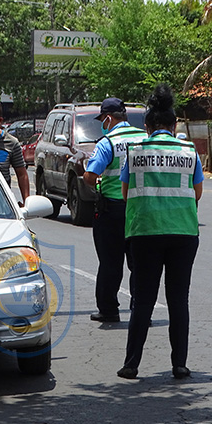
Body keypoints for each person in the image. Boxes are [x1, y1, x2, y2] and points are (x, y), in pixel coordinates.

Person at [116, 83, 204, 380]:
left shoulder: (135, 151)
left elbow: (125, 193)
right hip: (183, 234)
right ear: (174, 125)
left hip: (144, 232)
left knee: (143, 300)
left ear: (148, 127)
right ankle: (179, 364)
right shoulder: (189, 151)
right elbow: (197, 192)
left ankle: (131, 365)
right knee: (178, 300)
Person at [83, 98, 146, 323]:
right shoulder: (145, 139)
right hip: (141, 210)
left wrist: (96, 182)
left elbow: (90, 176)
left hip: (113, 210)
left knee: (110, 262)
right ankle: (141, 310)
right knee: (140, 264)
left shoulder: (107, 142)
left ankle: (109, 310)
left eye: (102, 119)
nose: (102, 124)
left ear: (108, 118)